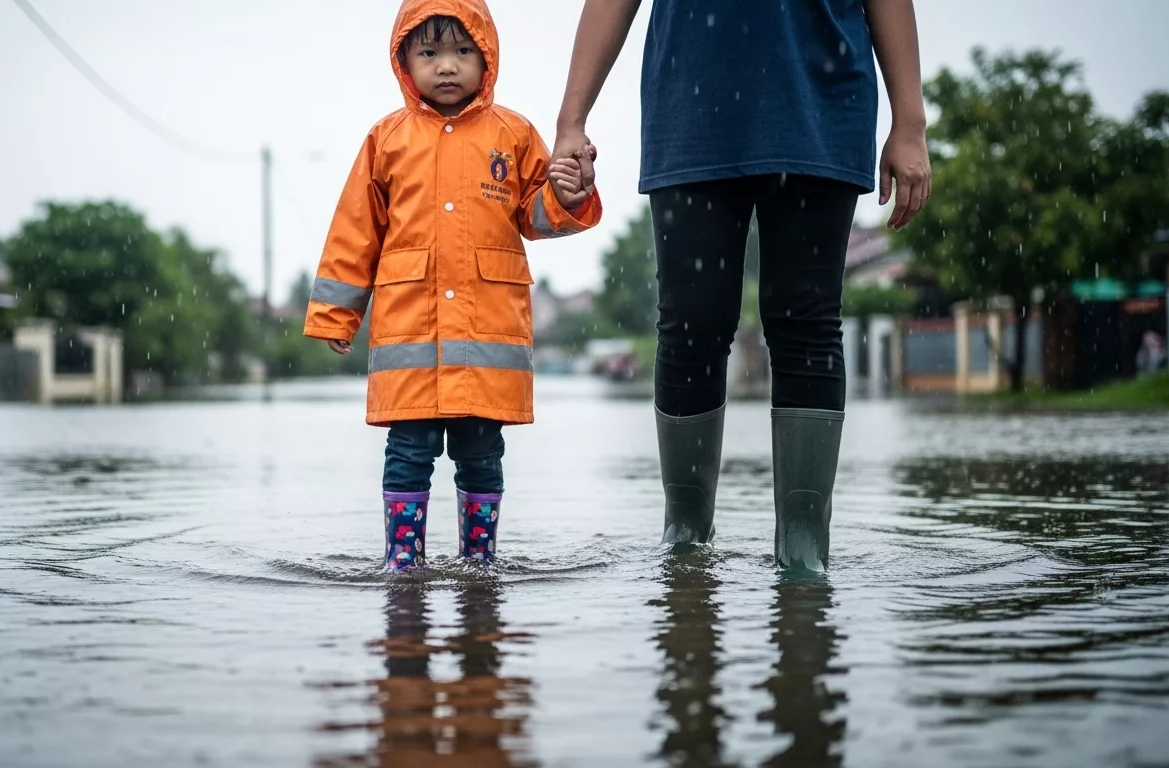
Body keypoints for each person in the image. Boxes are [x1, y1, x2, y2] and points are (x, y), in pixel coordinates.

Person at [554, 0, 931, 569]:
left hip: (820, 98)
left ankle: (804, 550)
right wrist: (571, 121)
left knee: (806, 321)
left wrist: (911, 121)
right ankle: (685, 538)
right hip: (691, 100)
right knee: (690, 323)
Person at [304, 0, 602, 572]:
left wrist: (567, 195)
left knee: (482, 454)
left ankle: (480, 562)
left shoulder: (513, 134)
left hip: (484, 342)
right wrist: (335, 315)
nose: (447, 66)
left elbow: (536, 217)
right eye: (431, 52)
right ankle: (403, 563)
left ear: (486, 57)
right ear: (404, 62)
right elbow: (353, 232)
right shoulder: (385, 140)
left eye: (463, 51)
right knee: (407, 454)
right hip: (409, 341)